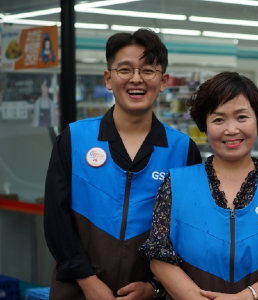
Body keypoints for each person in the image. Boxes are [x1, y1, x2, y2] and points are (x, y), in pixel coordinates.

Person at [44, 28, 202, 300]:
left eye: (148, 70)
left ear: (163, 81)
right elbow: (56, 218)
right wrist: (87, 280)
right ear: (108, 78)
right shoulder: (75, 139)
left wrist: (154, 287)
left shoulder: (182, 150)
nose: (136, 79)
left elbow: (187, 231)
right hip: (77, 291)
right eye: (125, 70)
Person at [139, 72, 258, 300]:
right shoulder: (175, 184)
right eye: (218, 119)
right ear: (204, 125)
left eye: (242, 117)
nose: (231, 129)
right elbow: (158, 256)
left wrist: (246, 297)